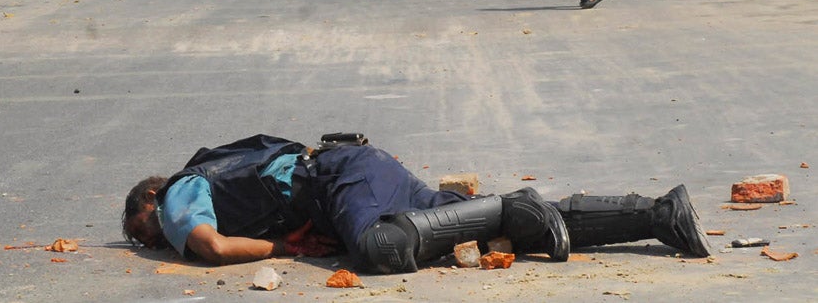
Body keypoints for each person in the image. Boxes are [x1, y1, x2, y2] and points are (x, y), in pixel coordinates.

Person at [122, 134, 711, 274]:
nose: (150, 240)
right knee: (495, 236)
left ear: (151, 197)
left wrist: (285, 247)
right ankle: (660, 215)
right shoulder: (220, 172)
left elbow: (211, 246)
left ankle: (510, 203)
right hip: (362, 175)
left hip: (343, 182)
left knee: (377, 250)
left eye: (142, 229)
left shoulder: (179, 191)